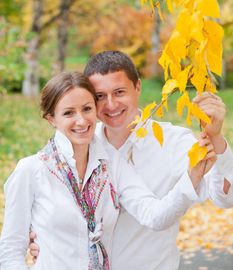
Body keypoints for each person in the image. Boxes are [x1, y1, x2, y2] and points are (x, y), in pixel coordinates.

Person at [29, 51, 233, 270]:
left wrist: (216, 138)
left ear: (137, 87)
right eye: (99, 96)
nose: (111, 105)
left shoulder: (174, 142)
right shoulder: (82, 143)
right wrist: (40, 235)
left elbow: (225, 197)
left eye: (119, 92)